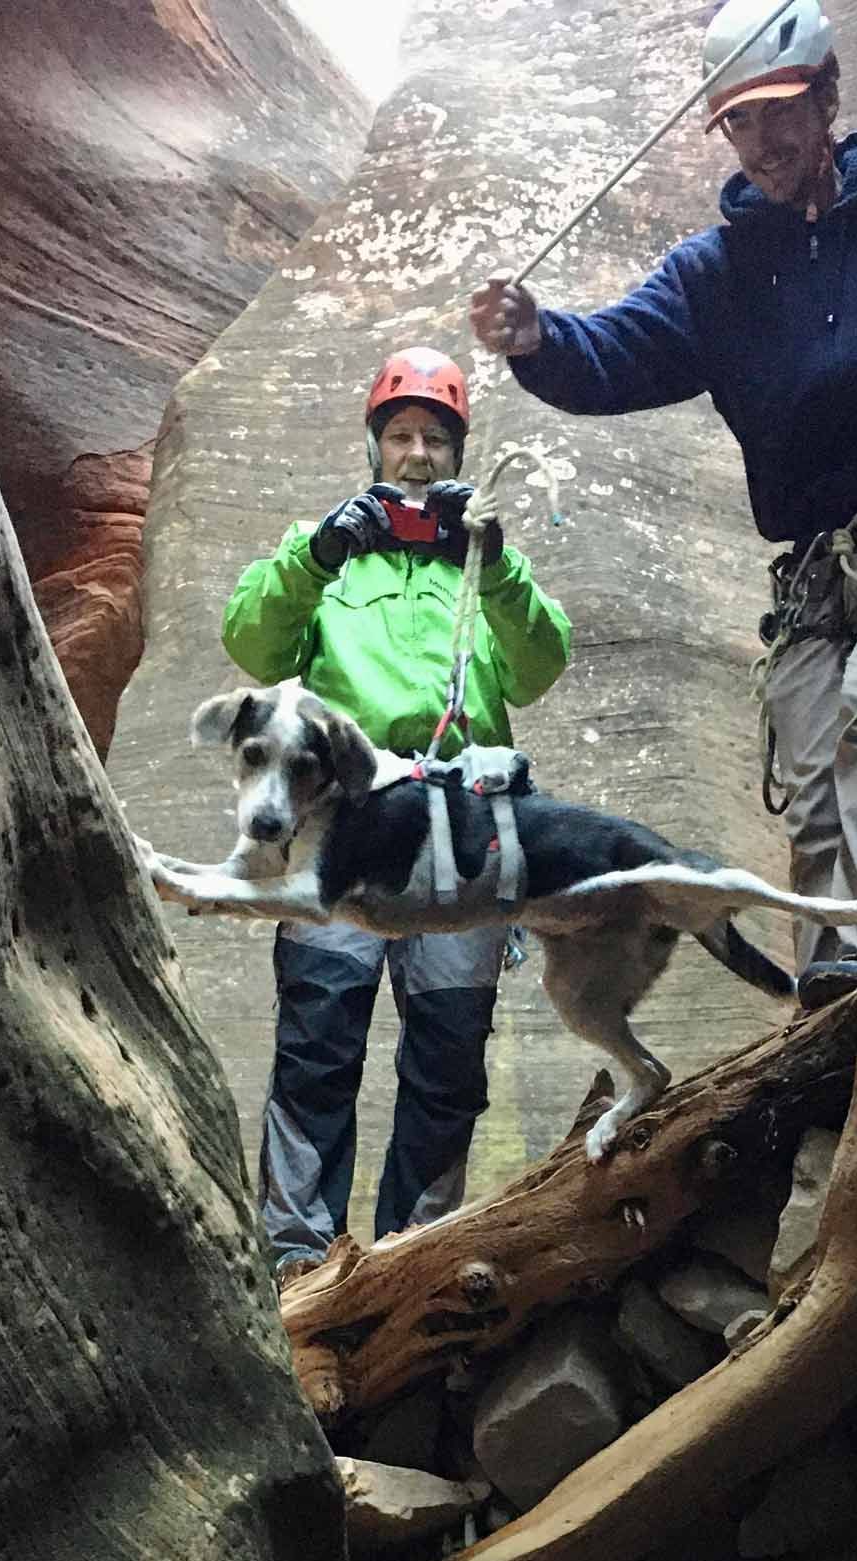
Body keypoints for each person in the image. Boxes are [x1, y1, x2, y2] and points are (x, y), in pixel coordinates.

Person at [471, 0, 857, 1005]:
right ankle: (839, 985)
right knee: (810, 785)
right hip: (814, 569)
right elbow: (616, 351)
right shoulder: (715, 275)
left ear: (829, 96)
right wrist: (539, 338)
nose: (763, 139)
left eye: (780, 110)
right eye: (740, 121)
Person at [221, 349, 572, 1279]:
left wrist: (492, 570)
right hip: (343, 824)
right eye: (401, 436)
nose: (417, 454)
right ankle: (296, 1265)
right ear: (375, 449)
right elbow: (250, 638)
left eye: (436, 439)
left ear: (459, 454)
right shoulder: (325, 553)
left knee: (450, 1054)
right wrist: (318, 551)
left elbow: (540, 667)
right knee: (319, 1037)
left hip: (460, 828)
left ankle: (415, 1256)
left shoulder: (483, 562)